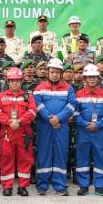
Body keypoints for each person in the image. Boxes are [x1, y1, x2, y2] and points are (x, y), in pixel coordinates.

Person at [0, 66, 36, 195]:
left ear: (21, 81)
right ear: (8, 81)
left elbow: (32, 111)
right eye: (12, 80)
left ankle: (23, 186)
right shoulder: (1, 96)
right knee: (6, 159)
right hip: (7, 132)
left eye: (17, 80)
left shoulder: (28, 96)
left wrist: (20, 121)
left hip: (24, 133)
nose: (15, 83)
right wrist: (9, 122)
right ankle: (7, 187)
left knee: (25, 159)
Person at [31, 61, 74, 196]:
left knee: (61, 153)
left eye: (57, 72)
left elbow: (71, 105)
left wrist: (59, 118)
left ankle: (60, 185)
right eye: (52, 72)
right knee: (44, 153)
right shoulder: (39, 88)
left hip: (61, 126)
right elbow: (38, 105)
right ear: (48, 72)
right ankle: (42, 185)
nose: (54, 75)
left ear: (61, 73)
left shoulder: (68, 88)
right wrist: (50, 119)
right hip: (45, 125)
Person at [71, 64, 103, 195]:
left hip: (100, 132)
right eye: (89, 77)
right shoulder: (78, 94)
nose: (92, 79)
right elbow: (75, 113)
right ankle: (83, 186)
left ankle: (100, 186)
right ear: (85, 79)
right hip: (84, 131)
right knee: (82, 158)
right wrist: (85, 124)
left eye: (94, 77)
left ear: (98, 78)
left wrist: (98, 125)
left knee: (100, 157)